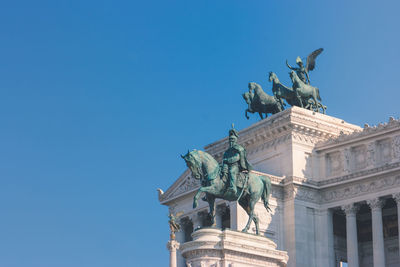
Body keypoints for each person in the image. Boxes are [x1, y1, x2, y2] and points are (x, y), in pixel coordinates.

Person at [221, 125, 252, 195]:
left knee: (232, 172)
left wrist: (227, 160)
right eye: (230, 140)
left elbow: (237, 158)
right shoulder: (227, 150)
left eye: (232, 140)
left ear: (235, 140)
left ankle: (233, 187)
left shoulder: (238, 148)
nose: (231, 142)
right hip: (227, 165)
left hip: (235, 166)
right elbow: (224, 157)